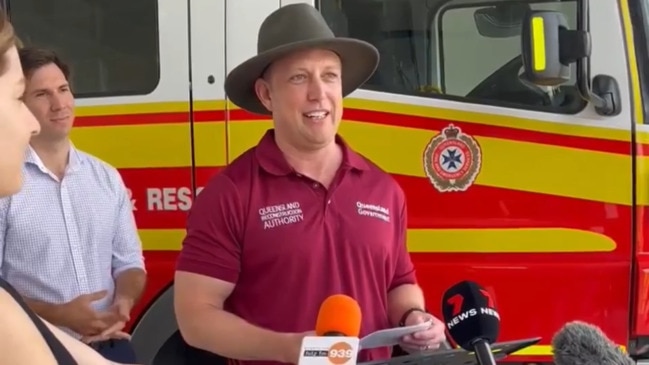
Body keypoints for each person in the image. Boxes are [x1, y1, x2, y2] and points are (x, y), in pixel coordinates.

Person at [174, 4, 447, 365]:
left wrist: (414, 318)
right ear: (266, 94)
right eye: (299, 78)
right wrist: (289, 349)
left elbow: (399, 282)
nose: (319, 94)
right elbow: (196, 319)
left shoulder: (383, 189)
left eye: (330, 76)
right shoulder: (230, 194)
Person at [0, 10, 139, 365]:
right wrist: (57, 314)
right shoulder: (8, 188)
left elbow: (130, 262)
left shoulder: (106, 177)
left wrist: (123, 302)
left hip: (112, 345)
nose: (60, 104)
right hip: (40, 345)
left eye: (63, 89)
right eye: (38, 94)